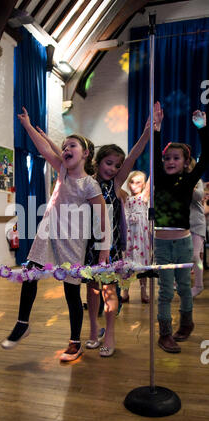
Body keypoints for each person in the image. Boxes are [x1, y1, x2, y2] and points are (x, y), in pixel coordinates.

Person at [1, 108, 110, 362]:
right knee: (31, 273)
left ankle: (75, 342)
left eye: (71, 145)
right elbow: (43, 149)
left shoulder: (90, 184)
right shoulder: (61, 170)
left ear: (85, 154)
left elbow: (102, 217)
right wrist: (28, 126)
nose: (65, 148)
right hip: (48, 232)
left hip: (72, 239)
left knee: (71, 292)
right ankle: (22, 322)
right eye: (63, 146)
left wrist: (104, 249)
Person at [84, 119, 151, 357]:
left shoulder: (114, 184)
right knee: (91, 290)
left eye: (117, 165)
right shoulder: (88, 183)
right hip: (88, 247)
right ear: (98, 161)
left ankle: (110, 333)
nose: (112, 169)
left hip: (109, 246)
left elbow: (133, 156)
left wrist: (145, 133)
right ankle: (93, 330)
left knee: (109, 290)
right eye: (108, 163)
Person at [153, 102, 208, 353]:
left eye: (176, 158)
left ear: (186, 162)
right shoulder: (161, 179)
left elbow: (205, 159)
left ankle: (186, 323)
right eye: (167, 158)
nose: (170, 161)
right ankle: (165, 333)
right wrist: (156, 128)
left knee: (184, 287)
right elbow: (155, 154)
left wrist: (202, 129)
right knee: (165, 290)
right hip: (162, 244)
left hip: (184, 242)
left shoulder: (188, 182)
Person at [121, 171, 150, 303]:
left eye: (138, 182)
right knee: (127, 260)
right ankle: (125, 291)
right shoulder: (126, 196)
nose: (134, 185)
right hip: (129, 232)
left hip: (140, 233)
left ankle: (143, 291)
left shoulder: (144, 196)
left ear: (144, 185)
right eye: (132, 182)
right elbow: (116, 186)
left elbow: (151, 180)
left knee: (142, 261)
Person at [188, 158, 206, 297]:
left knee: (195, 255)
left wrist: (189, 184)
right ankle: (181, 282)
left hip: (197, 224)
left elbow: (199, 195)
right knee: (181, 256)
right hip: (182, 225)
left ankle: (199, 285)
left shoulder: (197, 181)